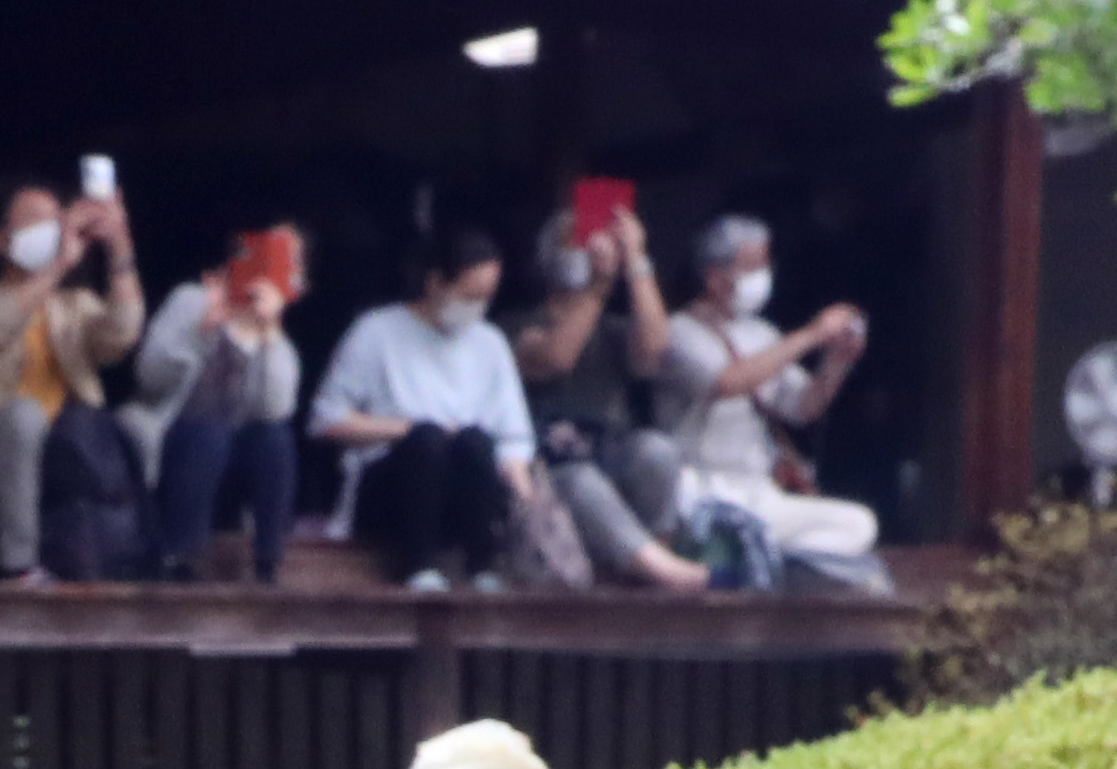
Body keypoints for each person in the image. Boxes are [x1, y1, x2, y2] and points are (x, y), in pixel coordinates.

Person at [305, 226, 540, 589]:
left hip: (463, 491)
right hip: (391, 491)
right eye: (468, 296)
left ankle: (482, 568)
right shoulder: (375, 331)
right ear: (435, 284)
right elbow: (326, 419)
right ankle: (418, 566)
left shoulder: (490, 342)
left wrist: (524, 494)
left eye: (484, 298)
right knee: (427, 439)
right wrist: (404, 429)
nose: (475, 308)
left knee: (475, 442)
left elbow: (513, 435)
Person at [658, 213, 883, 588]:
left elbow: (802, 407)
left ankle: (758, 563)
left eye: (765, 265)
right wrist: (811, 335)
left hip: (758, 491)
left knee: (860, 524)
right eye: (751, 267)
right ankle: (752, 562)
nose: (762, 276)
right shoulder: (679, 331)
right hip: (702, 493)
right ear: (714, 277)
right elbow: (727, 382)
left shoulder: (762, 333)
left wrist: (838, 360)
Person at [0, 176, 135, 582]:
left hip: (66, 461)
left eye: (58, 222)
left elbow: (123, 334)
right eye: (35, 223)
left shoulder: (74, 305)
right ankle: (18, 567)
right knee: (23, 416)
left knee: (122, 425)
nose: (54, 234)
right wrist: (58, 266)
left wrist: (119, 243)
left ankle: (129, 553)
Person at [509, 190, 703, 593]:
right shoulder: (516, 323)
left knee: (657, 451)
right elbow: (556, 357)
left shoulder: (611, 327)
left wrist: (636, 260)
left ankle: (652, 557)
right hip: (550, 462)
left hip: (612, 447)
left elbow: (655, 351)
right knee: (582, 481)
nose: (588, 249)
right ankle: (657, 566)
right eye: (576, 240)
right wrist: (598, 285)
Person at [121, 220, 298, 585]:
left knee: (275, 440)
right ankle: (179, 557)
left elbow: (276, 410)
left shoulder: (274, 336)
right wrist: (201, 332)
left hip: (232, 465)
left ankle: (268, 562)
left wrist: (270, 336)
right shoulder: (191, 300)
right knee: (209, 433)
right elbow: (148, 374)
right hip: (177, 445)